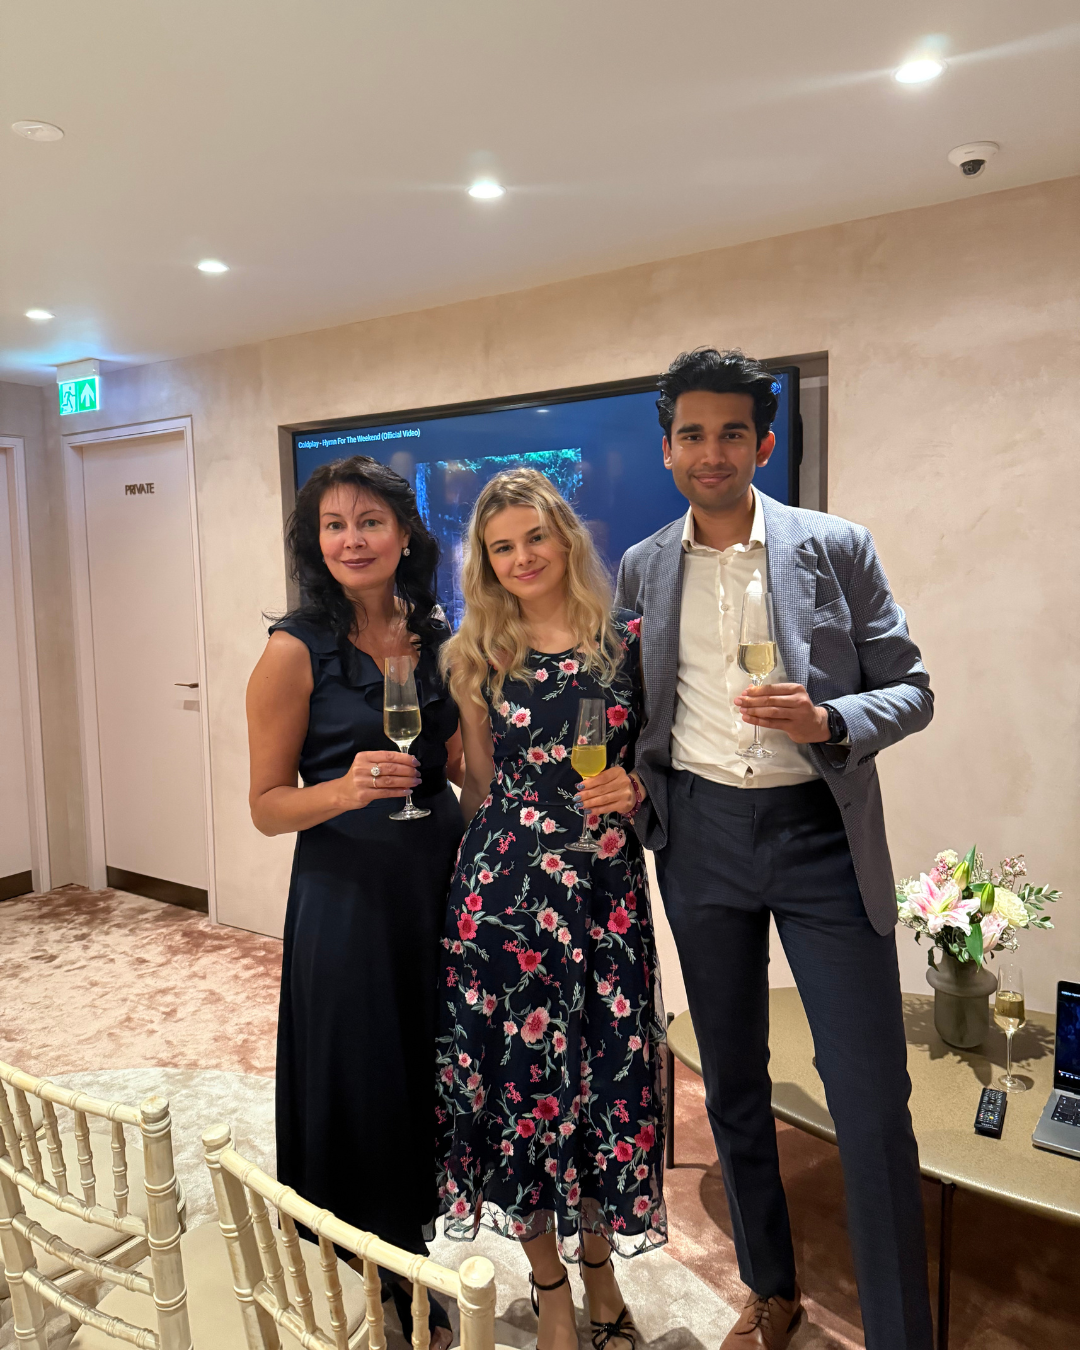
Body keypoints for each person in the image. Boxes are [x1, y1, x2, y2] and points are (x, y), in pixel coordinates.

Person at [615, 349, 935, 1350]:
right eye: (692, 434)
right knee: (732, 1078)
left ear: (764, 443)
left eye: (732, 433)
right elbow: (631, 705)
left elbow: (914, 689)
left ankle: (899, 1332)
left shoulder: (836, 547)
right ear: (668, 449)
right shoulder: (642, 567)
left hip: (820, 839)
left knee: (870, 1097)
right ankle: (769, 1287)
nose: (711, 452)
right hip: (701, 838)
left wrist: (829, 719)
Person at [436, 469, 666, 1350]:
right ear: (485, 562)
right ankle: (551, 1288)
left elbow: (660, 763)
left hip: (606, 897)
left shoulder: (628, 642)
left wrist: (635, 788)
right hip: (507, 900)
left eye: (535, 537)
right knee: (523, 1091)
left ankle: (601, 1270)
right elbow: (481, 788)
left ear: (565, 536)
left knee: (607, 1083)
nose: (522, 557)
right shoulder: (477, 655)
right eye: (502, 547)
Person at [246, 455, 463, 1349]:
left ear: (404, 534)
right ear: (316, 542)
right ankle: (389, 1275)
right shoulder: (292, 651)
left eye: (370, 521)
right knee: (366, 1077)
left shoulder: (436, 633)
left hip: (437, 880)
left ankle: (418, 1241)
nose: (352, 540)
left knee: (427, 1071)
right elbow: (266, 807)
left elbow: (461, 760)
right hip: (347, 897)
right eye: (333, 525)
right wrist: (343, 788)